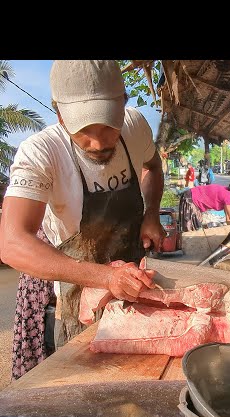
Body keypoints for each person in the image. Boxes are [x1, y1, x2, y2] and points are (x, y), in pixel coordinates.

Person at [0, 60, 165, 377]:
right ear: (60, 114)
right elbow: (12, 243)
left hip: (136, 274)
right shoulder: (41, 152)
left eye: (108, 126)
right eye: (84, 131)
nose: (100, 142)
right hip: (80, 287)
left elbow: (153, 167)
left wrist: (151, 213)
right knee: (90, 373)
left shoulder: (136, 126)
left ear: (123, 104)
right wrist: (106, 278)